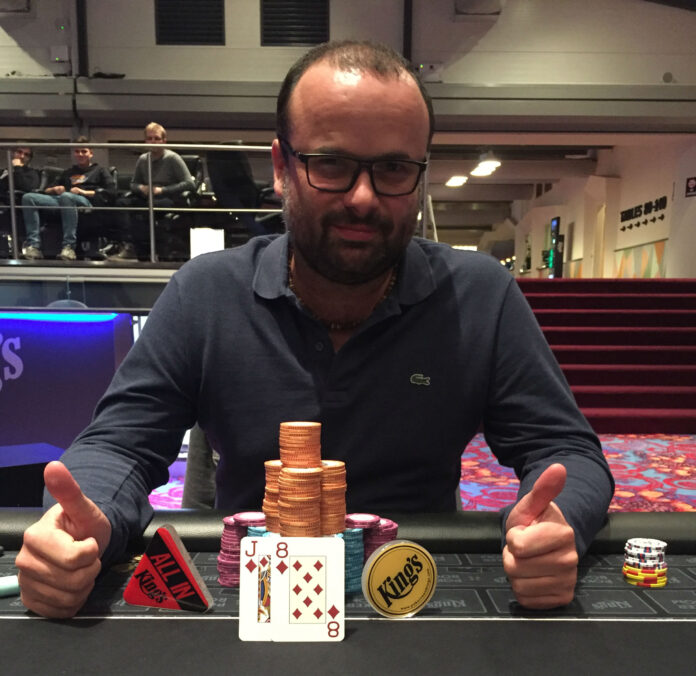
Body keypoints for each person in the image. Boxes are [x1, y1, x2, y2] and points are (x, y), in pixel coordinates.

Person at [16, 40, 614, 618]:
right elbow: (118, 445)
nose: (363, 197)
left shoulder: (481, 294)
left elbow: (567, 451)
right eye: (331, 163)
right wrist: (84, 522)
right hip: (253, 598)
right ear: (281, 167)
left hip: (417, 594)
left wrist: (557, 520)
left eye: (394, 168)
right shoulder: (205, 292)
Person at [105, 122, 195, 261]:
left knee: (146, 209)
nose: (153, 141)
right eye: (150, 138)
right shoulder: (143, 159)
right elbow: (133, 183)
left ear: (164, 140)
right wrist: (142, 188)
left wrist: (163, 190)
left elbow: (189, 183)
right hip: (147, 196)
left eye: (157, 138)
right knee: (122, 203)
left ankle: (149, 250)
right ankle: (129, 244)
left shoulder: (173, 158)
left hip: (168, 197)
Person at [20, 138, 115, 261]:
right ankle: (33, 246)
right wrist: (55, 189)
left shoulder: (100, 170)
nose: (80, 154)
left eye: (84, 151)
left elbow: (111, 192)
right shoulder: (68, 172)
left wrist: (83, 192)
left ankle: (69, 247)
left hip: (87, 201)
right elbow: (46, 190)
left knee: (67, 196)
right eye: (77, 151)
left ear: (91, 153)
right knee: (28, 197)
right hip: (63, 200)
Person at [0, 145, 40, 256]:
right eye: (19, 152)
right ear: (14, 153)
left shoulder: (32, 173)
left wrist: (17, 168)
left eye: (26, 154)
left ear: (29, 159)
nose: (22, 156)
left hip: (18, 206)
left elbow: (27, 188)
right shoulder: (4, 172)